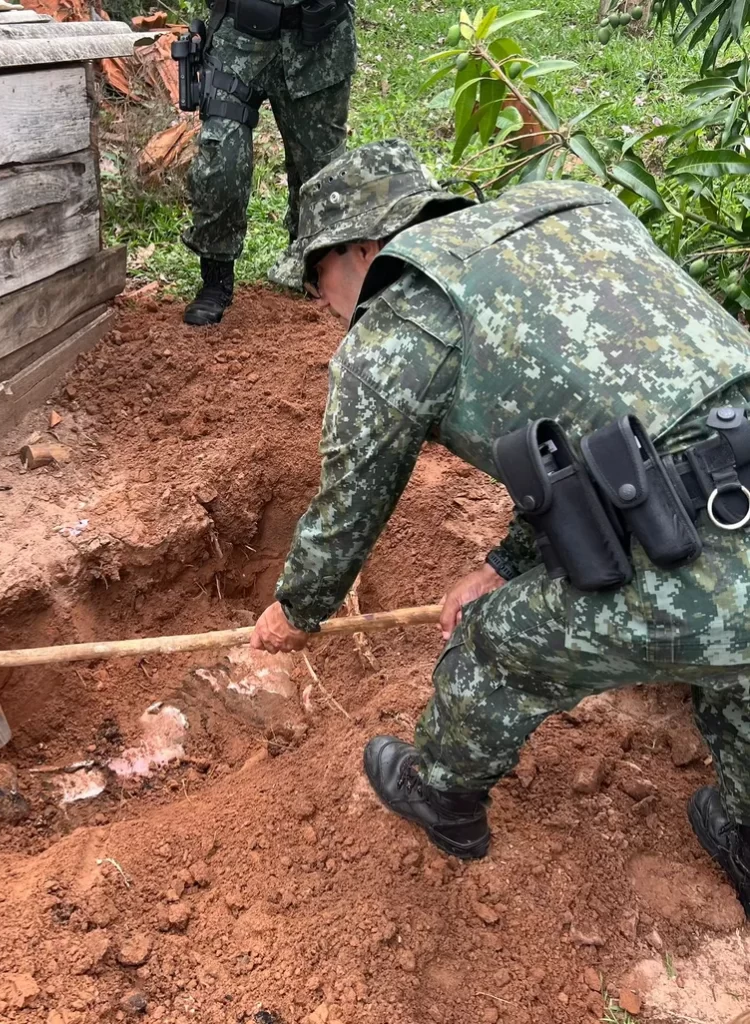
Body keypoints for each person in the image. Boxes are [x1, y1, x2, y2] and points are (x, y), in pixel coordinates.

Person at [250, 138, 750, 917]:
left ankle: (441, 795)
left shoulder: (400, 322)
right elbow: (607, 437)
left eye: (320, 283)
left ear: (362, 247)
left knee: (495, 643)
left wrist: (296, 609)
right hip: (724, 477)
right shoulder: (570, 208)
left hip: (710, 551)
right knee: (742, 669)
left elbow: (349, 503)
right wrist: (507, 561)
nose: (327, 308)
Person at [177, 0, 355, 326]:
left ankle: (315, 269)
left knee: (322, 175)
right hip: (240, 37)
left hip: (318, 40)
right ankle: (215, 279)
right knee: (222, 158)